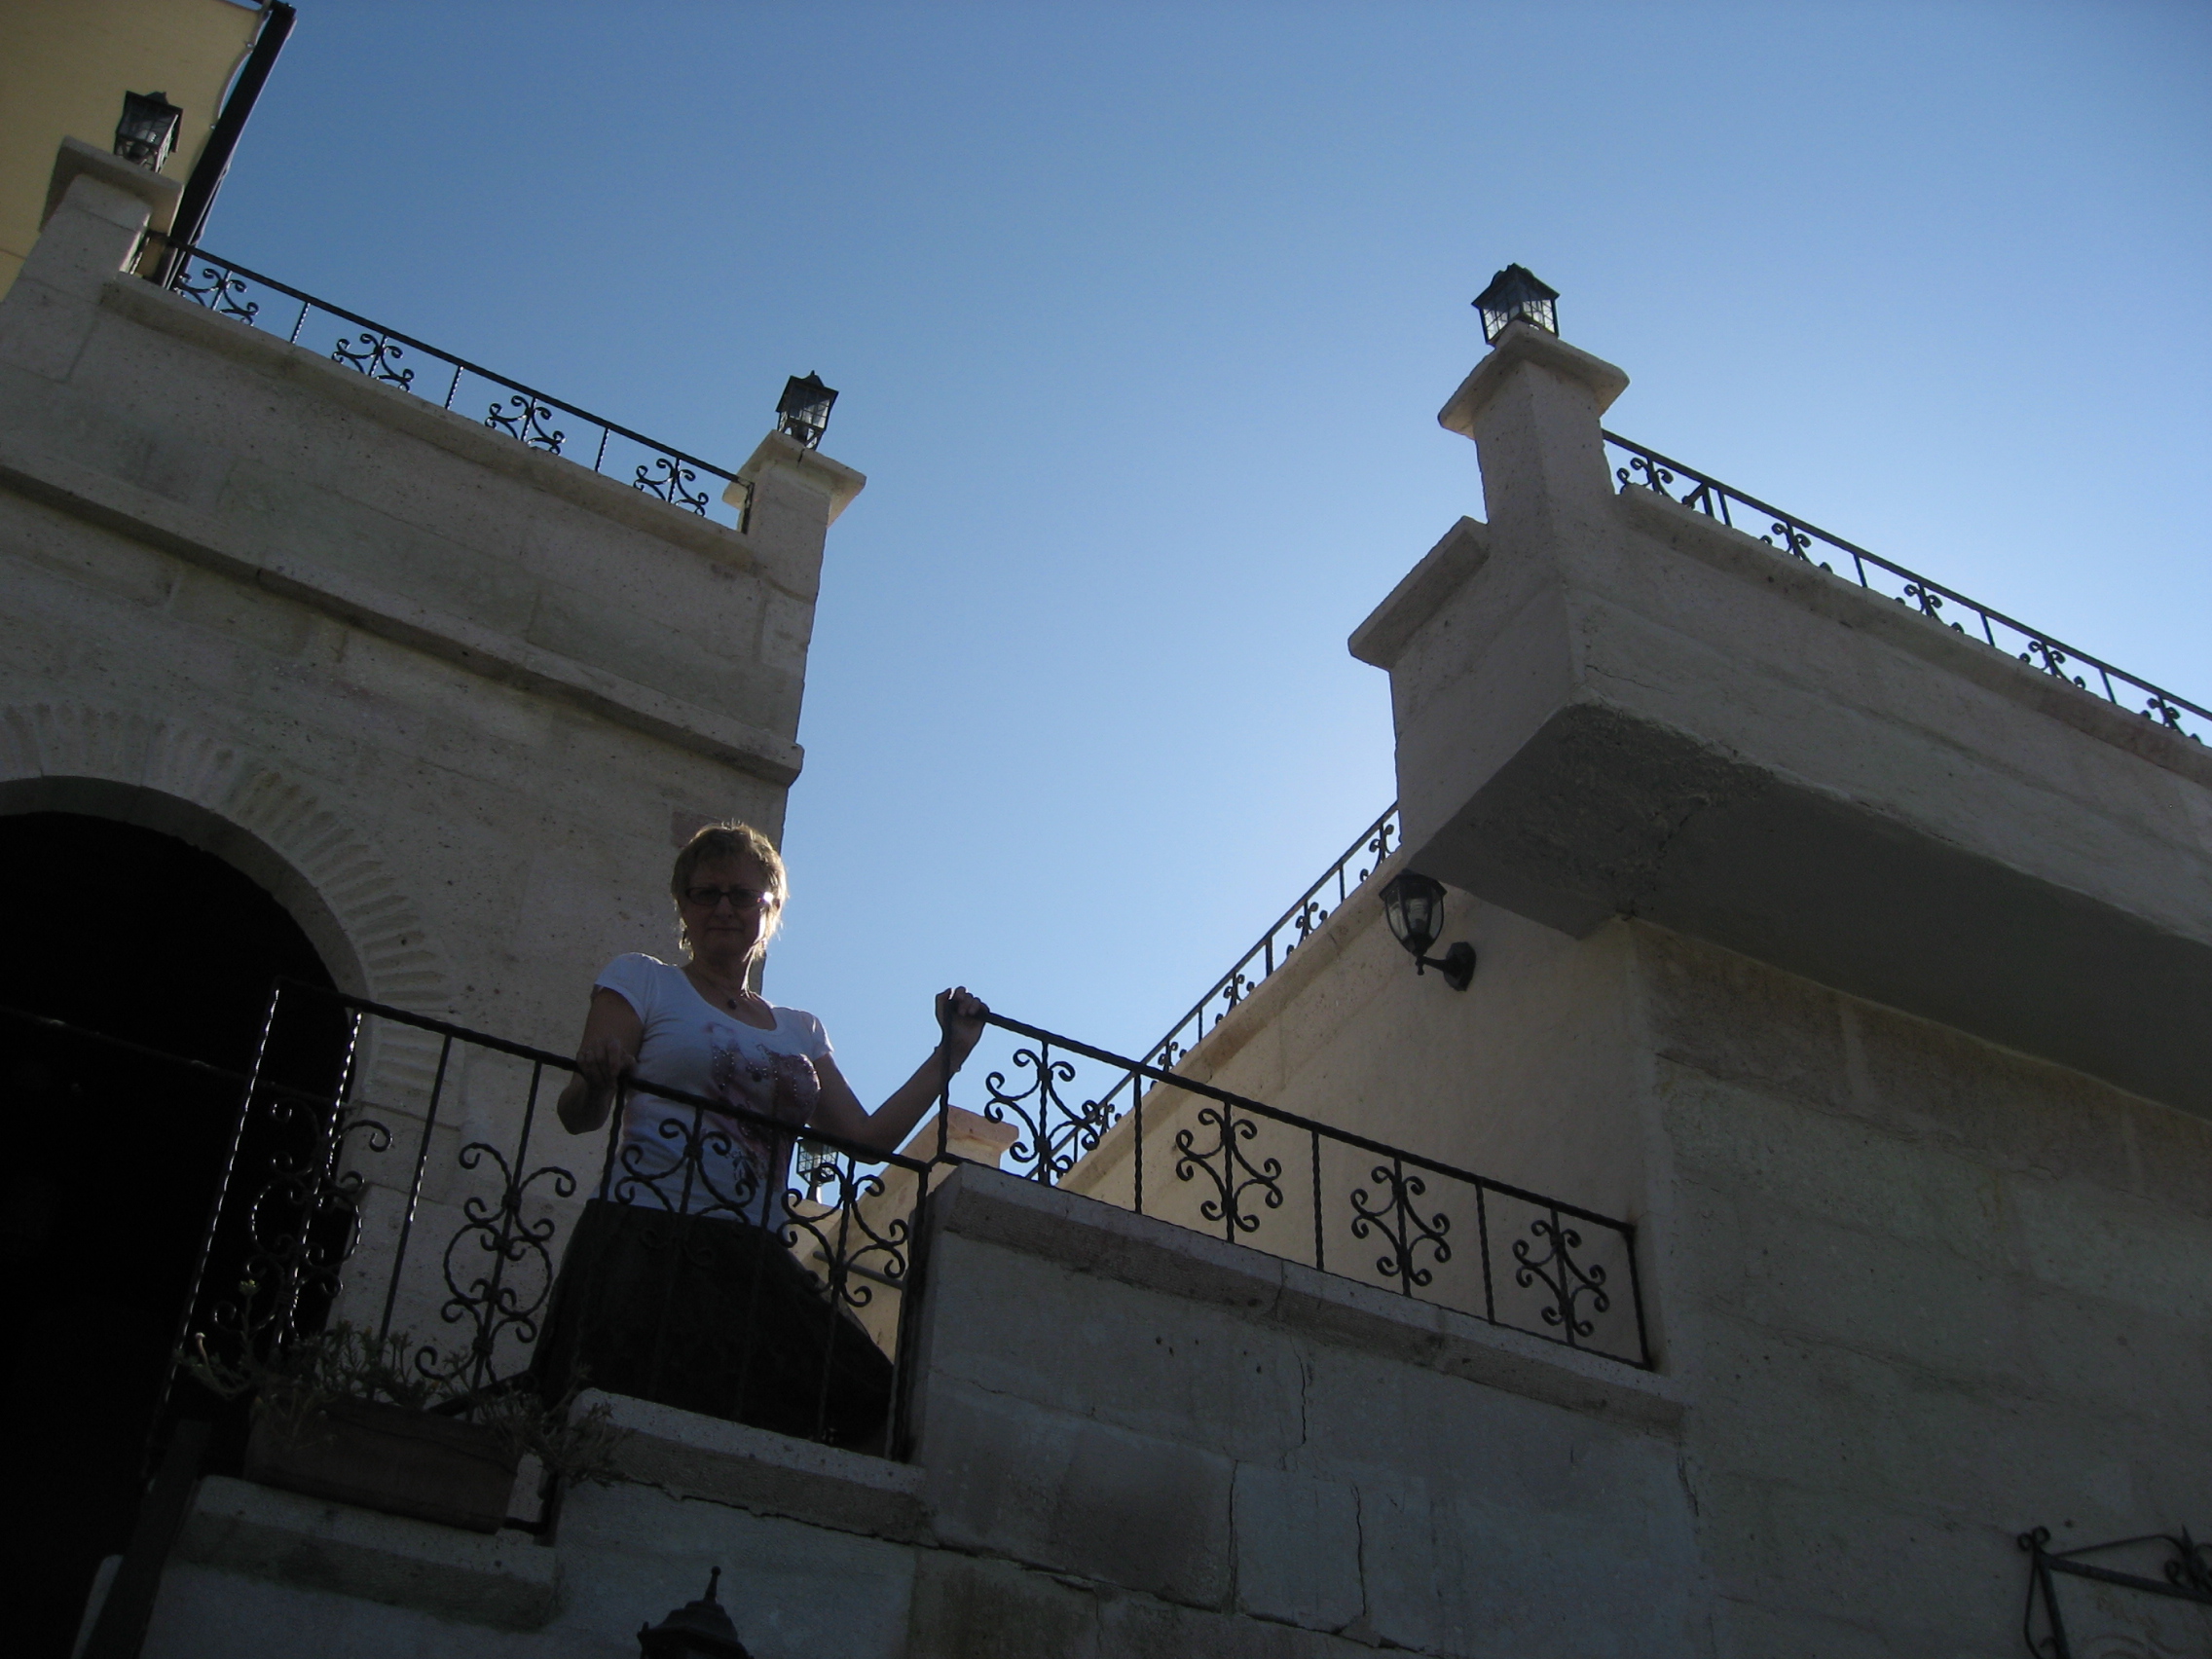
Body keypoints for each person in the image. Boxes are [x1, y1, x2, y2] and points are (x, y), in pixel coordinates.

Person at [531, 822, 986, 1445]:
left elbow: (867, 1139)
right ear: (683, 906)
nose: (723, 908)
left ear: (768, 909)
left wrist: (950, 1053)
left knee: (864, 1399)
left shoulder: (801, 1029)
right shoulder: (642, 980)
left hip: (752, 1252)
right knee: (618, 1420)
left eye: (742, 895)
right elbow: (578, 1114)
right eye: (706, 893)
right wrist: (597, 1081)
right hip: (647, 1233)